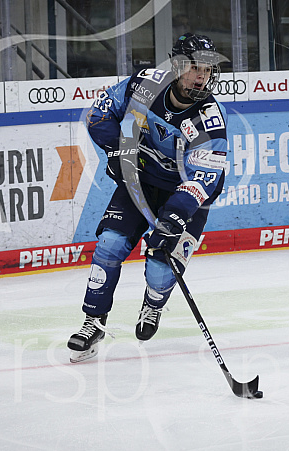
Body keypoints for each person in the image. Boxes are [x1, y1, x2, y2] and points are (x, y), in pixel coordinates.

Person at [67, 33, 229, 363]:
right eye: (195, 68)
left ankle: (154, 302)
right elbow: (98, 115)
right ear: (177, 66)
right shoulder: (144, 85)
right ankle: (93, 322)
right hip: (141, 183)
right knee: (109, 245)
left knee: (159, 268)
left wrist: (174, 217)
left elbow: (202, 181)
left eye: (208, 71)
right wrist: (117, 150)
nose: (202, 76)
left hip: (187, 197)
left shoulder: (208, 120)